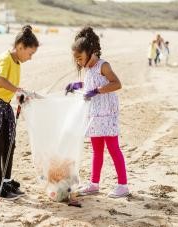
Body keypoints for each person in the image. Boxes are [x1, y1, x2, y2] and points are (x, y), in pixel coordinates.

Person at [65, 27, 129, 198]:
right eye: (76, 59)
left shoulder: (103, 65)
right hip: (94, 113)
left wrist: (97, 91)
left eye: (80, 58)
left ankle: (123, 185)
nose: (78, 62)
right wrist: (76, 85)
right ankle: (94, 184)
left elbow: (117, 84)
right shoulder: (88, 69)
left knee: (113, 148)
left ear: (91, 52)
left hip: (107, 112)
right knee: (97, 150)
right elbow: (89, 85)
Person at [0, 25, 39, 200]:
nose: (31, 57)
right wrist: (17, 90)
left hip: (3, 104)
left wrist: (18, 94)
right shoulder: (5, 58)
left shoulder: (17, 62)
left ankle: (7, 180)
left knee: (10, 144)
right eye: (30, 53)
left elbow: (10, 87)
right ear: (20, 46)